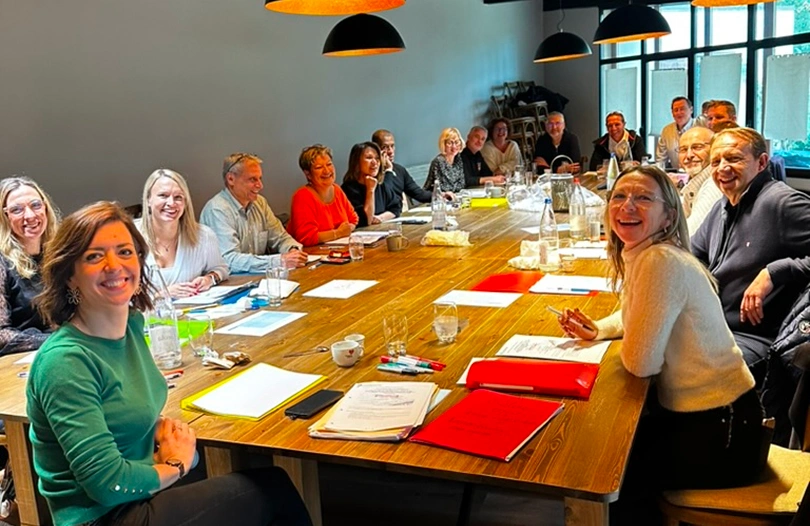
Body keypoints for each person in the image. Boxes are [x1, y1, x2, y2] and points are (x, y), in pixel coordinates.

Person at [26, 201, 313, 526]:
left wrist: (162, 430)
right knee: (271, 491)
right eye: (94, 256)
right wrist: (175, 465)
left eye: (124, 251)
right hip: (103, 517)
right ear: (69, 276)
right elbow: (107, 485)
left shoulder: (131, 327)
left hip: (138, 494)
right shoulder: (66, 361)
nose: (114, 265)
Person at [557, 166, 765, 524]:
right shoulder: (648, 253)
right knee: (608, 451)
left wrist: (632, 336)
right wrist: (600, 330)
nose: (627, 206)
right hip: (713, 420)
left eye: (643, 198)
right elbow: (639, 314)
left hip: (724, 435)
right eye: (619, 196)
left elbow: (640, 363)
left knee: (602, 469)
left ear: (669, 214)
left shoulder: (660, 262)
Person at [692, 127, 810, 384]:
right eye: (715, 161)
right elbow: (692, 258)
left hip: (756, 339)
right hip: (711, 325)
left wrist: (775, 272)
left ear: (762, 162)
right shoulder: (722, 205)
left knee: (678, 374)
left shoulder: (782, 203)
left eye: (734, 158)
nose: (722, 168)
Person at [200, 152, 308, 273]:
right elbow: (228, 261)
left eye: (260, 179)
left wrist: (292, 250)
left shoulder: (260, 203)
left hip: (257, 278)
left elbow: (281, 238)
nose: (260, 185)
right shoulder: (217, 209)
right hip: (228, 283)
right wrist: (279, 261)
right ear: (231, 179)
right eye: (252, 179)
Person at [139, 169, 229, 298]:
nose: (171, 203)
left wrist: (209, 279)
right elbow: (118, 295)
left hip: (191, 315)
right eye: (163, 195)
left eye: (178, 197)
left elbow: (221, 269)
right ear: (148, 199)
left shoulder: (204, 236)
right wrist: (161, 295)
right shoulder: (129, 237)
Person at [0, 177, 59, 356]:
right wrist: (56, 341)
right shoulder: (2, 263)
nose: (30, 216)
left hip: (67, 353)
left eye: (35, 205)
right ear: (5, 217)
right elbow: (1, 334)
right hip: (22, 363)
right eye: (17, 210)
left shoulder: (61, 255)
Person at [287, 144, 358, 246]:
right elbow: (307, 237)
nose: (327, 171)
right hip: (310, 255)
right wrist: (339, 233)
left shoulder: (337, 189)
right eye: (319, 167)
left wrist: (347, 229)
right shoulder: (302, 196)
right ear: (308, 174)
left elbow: (353, 219)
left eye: (329, 164)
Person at [676, 127, 722, 235]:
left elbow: (690, 234)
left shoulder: (714, 184)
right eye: (683, 150)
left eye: (697, 147)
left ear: (714, 149)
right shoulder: (695, 183)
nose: (689, 155)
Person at [341, 142, 400, 226]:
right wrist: (370, 190)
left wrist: (381, 217)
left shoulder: (380, 184)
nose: (374, 162)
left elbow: (396, 207)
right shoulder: (348, 189)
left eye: (377, 158)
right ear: (357, 162)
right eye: (369, 158)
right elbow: (366, 220)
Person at [371, 130, 433, 205]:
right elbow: (383, 200)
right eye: (385, 147)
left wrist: (441, 195)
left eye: (392, 146)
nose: (390, 151)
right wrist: (388, 170)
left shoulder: (399, 170)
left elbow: (419, 194)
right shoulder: (371, 173)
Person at [656, 97, 694, 170]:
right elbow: (661, 160)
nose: (679, 113)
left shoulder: (700, 126)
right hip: (678, 176)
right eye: (676, 110)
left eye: (682, 109)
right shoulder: (667, 131)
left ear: (691, 110)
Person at [423, 128, 465, 193]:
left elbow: (461, 184)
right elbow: (443, 188)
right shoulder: (439, 161)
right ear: (443, 144)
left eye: (456, 142)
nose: (454, 146)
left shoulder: (458, 159)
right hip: (437, 200)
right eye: (450, 143)